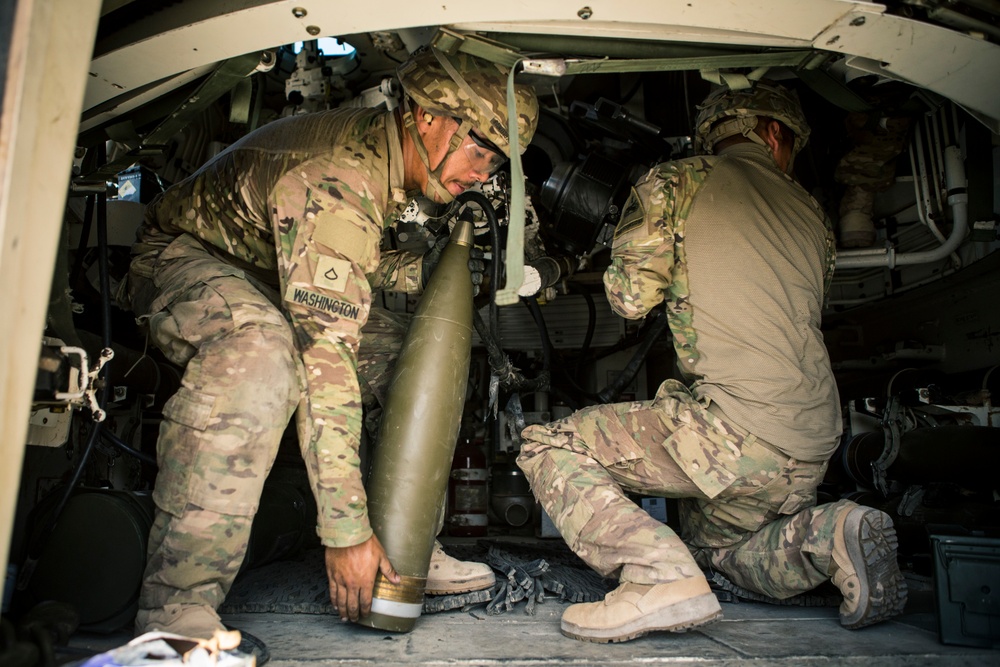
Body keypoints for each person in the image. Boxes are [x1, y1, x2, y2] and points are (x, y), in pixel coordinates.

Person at [122, 46, 538, 642]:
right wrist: (343, 532)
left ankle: (404, 546)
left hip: (267, 274)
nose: (483, 172)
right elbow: (326, 360)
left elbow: (347, 261)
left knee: (410, 360)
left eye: (498, 163)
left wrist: (425, 270)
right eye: (480, 148)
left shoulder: (384, 160)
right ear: (428, 118)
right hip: (186, 258)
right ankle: (177, 607)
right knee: (260, 355)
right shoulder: (339, 177)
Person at [516, 82, 907, 644]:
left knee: (549, 444)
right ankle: (829, 533)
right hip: (812, 439)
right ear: (776, 134)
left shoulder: (679, 181)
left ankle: (655, 574)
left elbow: (629, 299)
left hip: (734, 432)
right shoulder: (813, 215)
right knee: (718, 552)